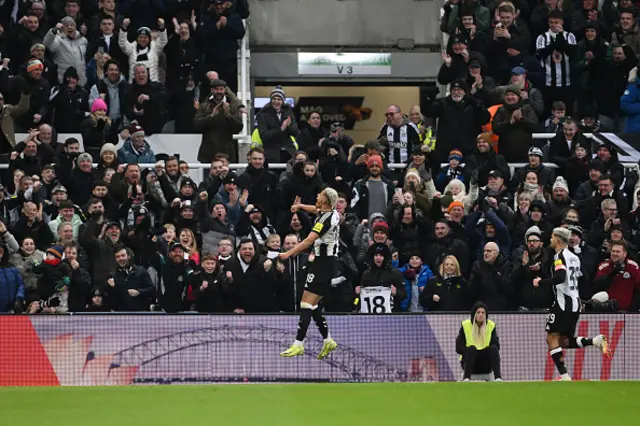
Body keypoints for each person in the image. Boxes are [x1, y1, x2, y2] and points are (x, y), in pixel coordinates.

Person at [533, 227, 610, 381]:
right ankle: (595, 340)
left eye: (552, 237)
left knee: (551, 338)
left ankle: (564, 376)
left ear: (558, 239)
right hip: (574, 303)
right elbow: (580, 279)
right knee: (564, 341)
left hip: (563, 303)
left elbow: (561, 277)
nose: (550, 240)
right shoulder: (575, 257)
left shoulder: (559, 256)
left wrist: (541, 281)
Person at [278, 188, 340, 359]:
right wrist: (300, 206)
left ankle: (298, 344)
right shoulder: (331, 212)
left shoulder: (324, 220)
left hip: (323, 263)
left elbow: (308, 241)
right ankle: (328, 340)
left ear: (326, 200)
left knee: (305, 303)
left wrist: (288, 254)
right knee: (313, 305)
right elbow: (315, 209)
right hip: (327, 262)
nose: (317, 196)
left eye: (320, 195)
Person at [455, 302, 501, 381]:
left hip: (485, 362)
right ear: (474, 314)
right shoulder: (465, 325)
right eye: (478, 312)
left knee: (493, 348)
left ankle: (498, 378)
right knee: (472, 349)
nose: (481, 315)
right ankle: (466, 378)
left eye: (483, 313)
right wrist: (469, 351)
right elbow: (458, 348)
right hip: (470, 360)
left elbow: (496, 345)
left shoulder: (491, 325)